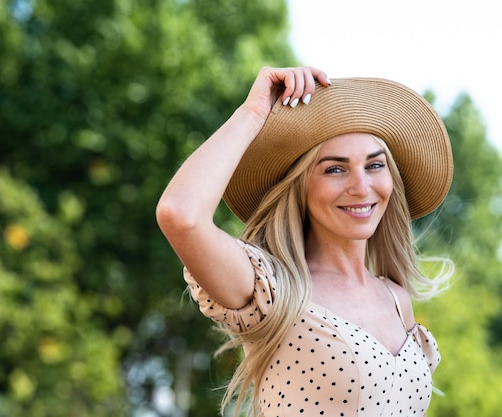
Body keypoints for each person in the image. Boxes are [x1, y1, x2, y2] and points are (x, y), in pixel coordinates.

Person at [156, 66, 454, 417]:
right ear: (300, 187)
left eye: (374, 166)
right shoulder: (271, 289)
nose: (361, 186)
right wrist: (252, 114)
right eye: (334, 169)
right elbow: (180, 215)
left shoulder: (396, 298)